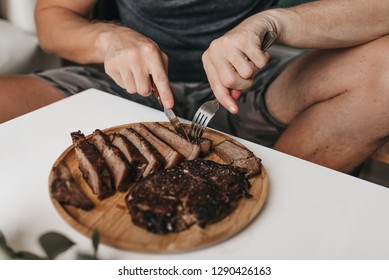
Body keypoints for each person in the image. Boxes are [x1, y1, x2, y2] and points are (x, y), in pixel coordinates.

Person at [0, 0, 388, 174]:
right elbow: (52, 17)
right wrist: (108, 40)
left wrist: (273, 23)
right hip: (118, 84)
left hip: (248, 84)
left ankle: (275, 210)